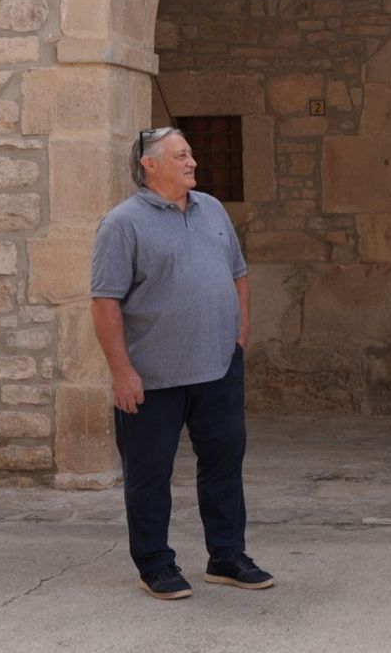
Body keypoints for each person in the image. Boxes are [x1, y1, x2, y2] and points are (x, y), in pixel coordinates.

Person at [90, 127, 272, 601]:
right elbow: (105, 303)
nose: (193, 161)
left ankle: (227, 557)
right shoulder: (122, 223)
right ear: (150, 165)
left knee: (224, 465)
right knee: (149, 474)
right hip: (152, 378)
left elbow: (239, 275)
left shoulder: (212, 209)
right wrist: (121, 371)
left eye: (191, 153)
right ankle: (155, 563)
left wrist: (239, 334)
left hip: (219, 368)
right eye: (181, 155)